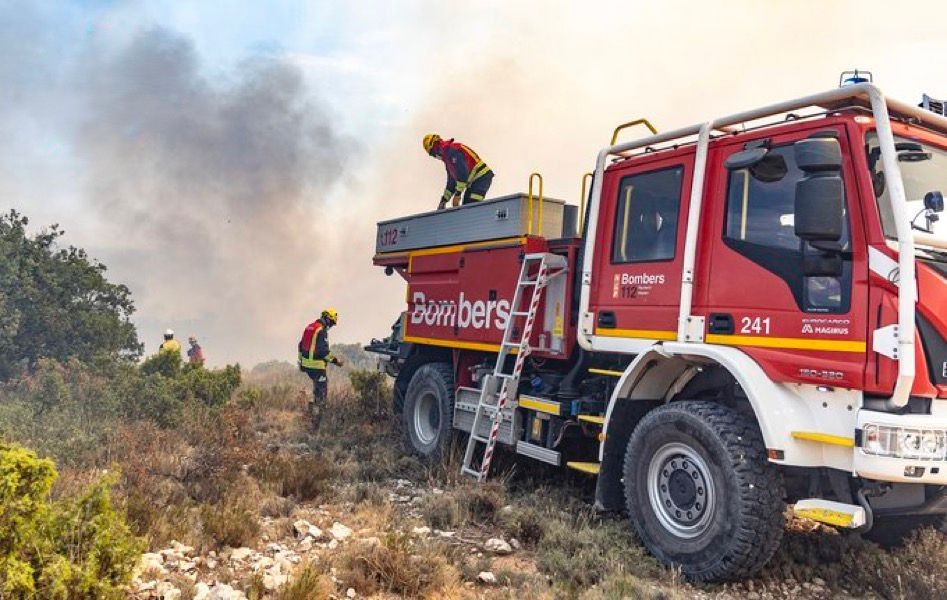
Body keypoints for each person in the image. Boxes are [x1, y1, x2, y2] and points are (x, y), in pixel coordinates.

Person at [297, 308, 343, 428]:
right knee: (321, 396)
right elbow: (323, 352)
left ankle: (313, 417)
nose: (331, 326)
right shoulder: (321, 330)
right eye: (331, 323)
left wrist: (301, 362)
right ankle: (317, 422)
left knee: (317, 390)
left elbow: (300, 345)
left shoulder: (309, 327)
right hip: (317, 366)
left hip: (307, 366)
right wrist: (336, 361)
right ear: (327, 319)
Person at [422, 134, 494, 210]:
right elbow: (452, 182)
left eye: (432, 153)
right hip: (475, 181)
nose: (434, 157)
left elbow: (462, 173)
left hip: (481, 177)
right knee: (466, 206)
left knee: (471, 206)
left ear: (435, 147)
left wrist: (458, 194)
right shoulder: (447, 158)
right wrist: (444, 200)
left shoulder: (452, 151)